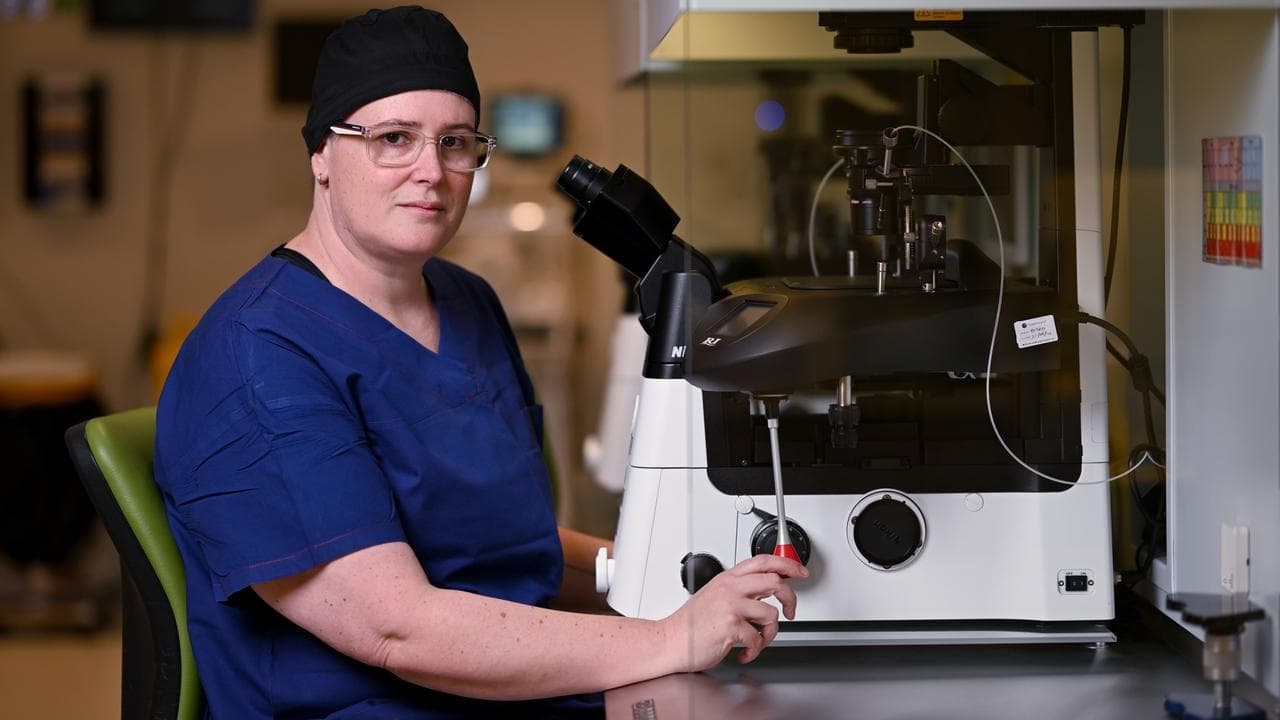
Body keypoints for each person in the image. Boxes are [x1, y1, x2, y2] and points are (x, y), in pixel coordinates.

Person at [154, 6, 806, 718]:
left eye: (455, 142)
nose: (430, 172)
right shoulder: (260, 352)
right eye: (393, 139)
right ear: (321, 153)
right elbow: (393, 626)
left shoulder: (466, 302)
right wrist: (671, 638)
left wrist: (669, 567)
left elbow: (498, 540)